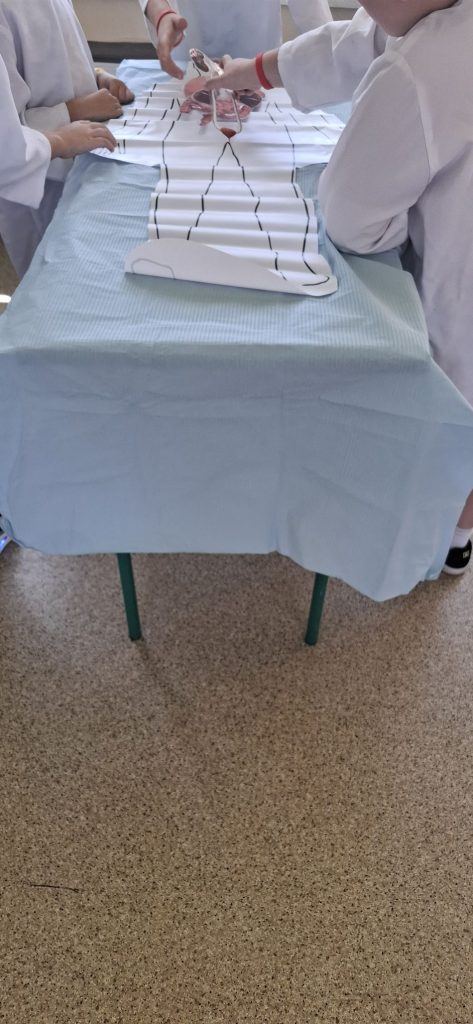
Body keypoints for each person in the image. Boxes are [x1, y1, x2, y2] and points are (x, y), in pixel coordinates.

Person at [202, 0, 473, 574]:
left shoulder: (427, 66)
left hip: (461, 289)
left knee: (455, 411)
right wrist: (249, 72)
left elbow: (352, 217)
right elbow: (354, 43)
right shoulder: (434, 23)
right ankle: (457, 536)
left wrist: (402, 228)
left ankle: (444, 538)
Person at [0, 0, 134, 276]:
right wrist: (73, 112)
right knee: (53, 271)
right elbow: (9, 134)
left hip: (79, 159)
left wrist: (95, 77)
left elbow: (57, 55)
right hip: (36, 182)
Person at [139, 0, 332, 80]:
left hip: (260, 61)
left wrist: (330, 53)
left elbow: (313, 13)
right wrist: (162, 14)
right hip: (187, 57)